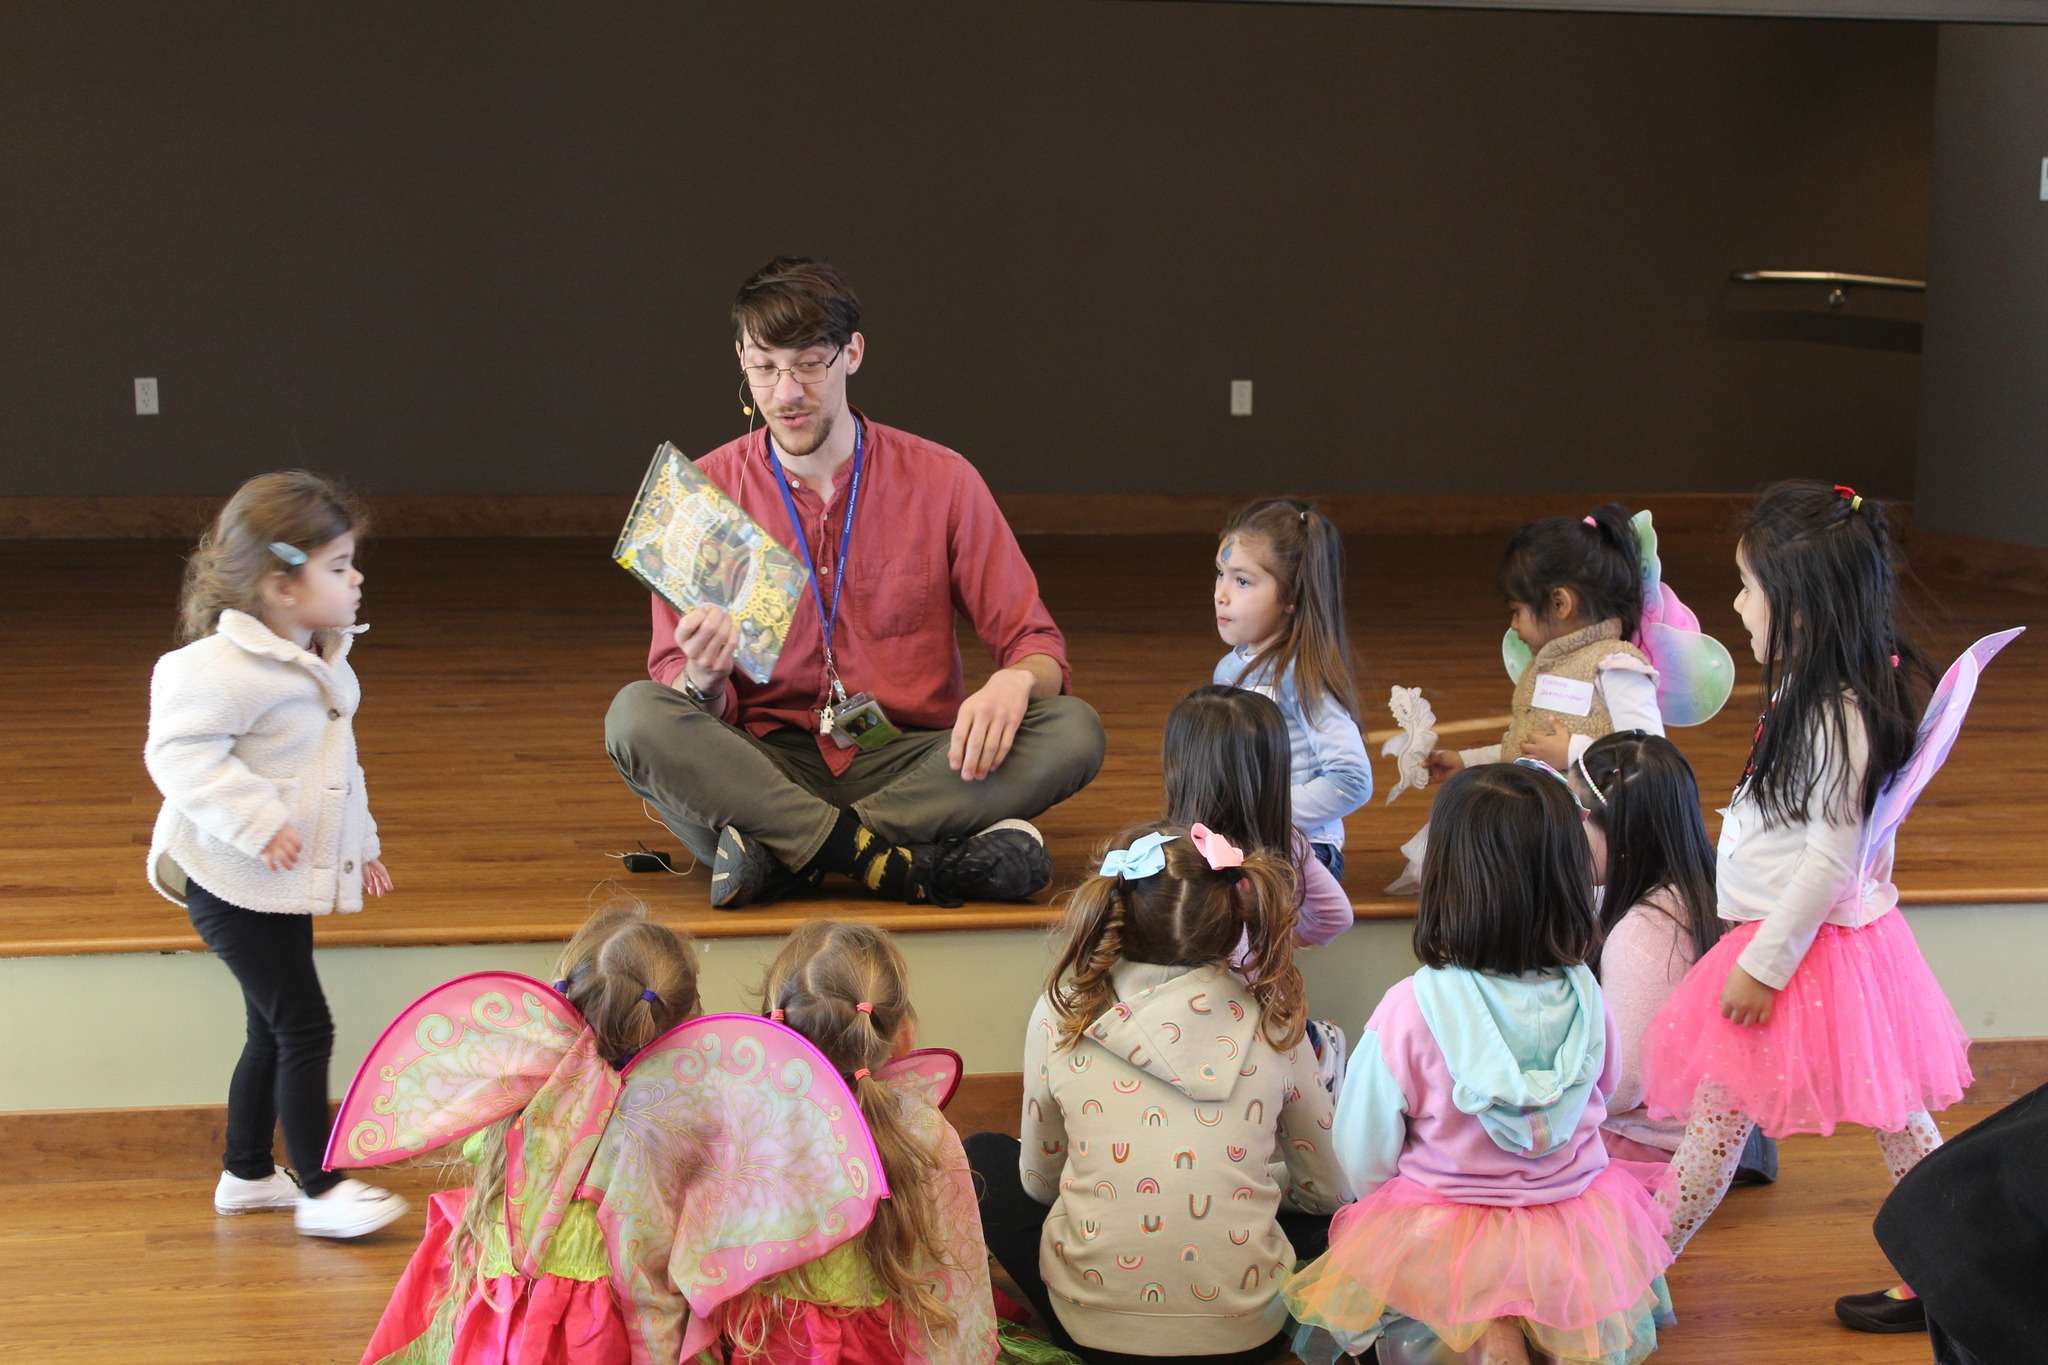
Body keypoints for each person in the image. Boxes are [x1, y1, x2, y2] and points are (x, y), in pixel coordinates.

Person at [606, 257, 1105, 909]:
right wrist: (702, 678)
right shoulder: (702, 496)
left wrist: (1015, 681)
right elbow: (680, 700)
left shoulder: (943, 480)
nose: (786, 392)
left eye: (810, 364)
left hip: (909, 760)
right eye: (765, 367)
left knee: (1073, 730)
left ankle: (789, 856)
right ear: (742, 362)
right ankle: (914, 859)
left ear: (853, 353)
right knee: (636, 717)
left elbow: (1036, 644)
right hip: (762, 763)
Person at [1641, 482, 2002, 1333]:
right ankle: (1960, 1271)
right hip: (1819, 946)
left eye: (1747, 587)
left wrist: (1764, 966)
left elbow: (1831, 859)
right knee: (1881, 1120)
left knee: (1722, 1125)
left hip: (1805, 952)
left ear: (1798, 603)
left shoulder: (1837, 710)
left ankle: (1628, 1270)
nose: (1737, 605)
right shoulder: (1821, 688)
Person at [1283, 764, 1674, 1365]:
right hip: (1571, 1231)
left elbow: (1362, 1152)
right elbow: (1606, 1087)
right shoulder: (1587, 995)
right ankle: (1534, 1328)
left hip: (1444, 1240)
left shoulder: (1410, 1008)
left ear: (1448, 878)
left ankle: (1491, 1330)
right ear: (1569, 880)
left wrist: (1389, 1215)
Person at [966, 821, 1350, 1365]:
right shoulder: (1275, 1020)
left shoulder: (1061, 1010)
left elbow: (1040, 1181)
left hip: (1092, 1331)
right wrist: (1254, 1181)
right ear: (1232, 914)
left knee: (982, 1157)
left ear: (1113, 908)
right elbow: (1328, 1192)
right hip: (1246, 1337)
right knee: (1353, 1216)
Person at [143, 470, 406, 1239]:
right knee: (304, 1026)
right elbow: (178, 754)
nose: (356, 579)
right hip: (226, 880)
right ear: (281, 585)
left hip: (275, 881)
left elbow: (335, 771)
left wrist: (362, 845)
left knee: (270, 1026)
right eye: (338, 566)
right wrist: (257, 821)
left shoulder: (319, 657)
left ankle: (248, 1173)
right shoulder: (215, 670)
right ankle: (320, 1187)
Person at [731, 920, 999, 1363]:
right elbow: (955, 1262)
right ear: (902, 1036)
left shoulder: (747, 1122)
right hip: (882, 1343)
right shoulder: (921, 1131)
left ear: (772, 1028)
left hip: (771, 1341)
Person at [1574, 731, 1775, 1183]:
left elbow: (1623, 1086)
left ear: (1620, 831)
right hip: (1723, 1137)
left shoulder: (1646, 931)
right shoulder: (1706, 885)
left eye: (1577, 814)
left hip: (1661, 1148)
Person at [1164, 684, 1357, 1091]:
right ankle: (1315, 1045)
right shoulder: (1289, 842)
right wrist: (1281, 934)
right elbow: (1336, 916)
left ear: (1178, 767)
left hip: (1191, 1031)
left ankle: (1315, 1046)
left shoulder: (1162, 854)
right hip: (1268, 1028)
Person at [1211, 498, 1370, 879]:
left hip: (1305, 851)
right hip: (1249, 844)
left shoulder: (1300, 676)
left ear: (1291, 597)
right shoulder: (1229, 669)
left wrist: (1263, 815)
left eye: (1242, 581)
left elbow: (1352, 780)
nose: (1221, 594)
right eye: (1220, 574)